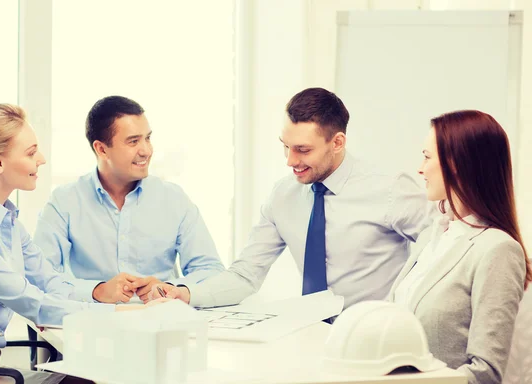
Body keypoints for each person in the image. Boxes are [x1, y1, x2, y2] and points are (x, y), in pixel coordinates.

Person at [0, 104, 157, 383]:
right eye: (30, 152)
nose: (41, 159)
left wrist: (100, 293)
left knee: (94, 375)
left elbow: (49, 282)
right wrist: (122, 315)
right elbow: (30, 301)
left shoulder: (7, 220)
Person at [149, 87, 432, 308]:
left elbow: (443, 257)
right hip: (310, 334)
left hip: (376, 339)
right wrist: (184, 294)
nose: (290, 160)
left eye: (302, 150)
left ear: (337, 142)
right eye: (285, 147)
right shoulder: (283, 195)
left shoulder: (390, 189)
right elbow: (246, 275)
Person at [33, 96, 224, 304]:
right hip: (92, 325)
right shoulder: (65, 201)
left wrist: (171, 288)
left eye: (147, 138)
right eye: (133, 141)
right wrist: (97, 290)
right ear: (101, 149)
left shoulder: (174, 199)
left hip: (162, 323)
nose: (146, 151)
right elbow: (40, 276)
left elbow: (212, 271)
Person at [386, 110, 531, 384]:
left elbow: (485, 372)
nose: (420, 168)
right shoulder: (433, 235)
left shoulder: (497, 250)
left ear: (457, 164)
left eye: (427, 157)